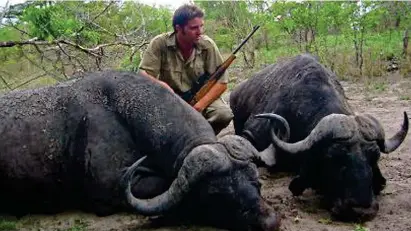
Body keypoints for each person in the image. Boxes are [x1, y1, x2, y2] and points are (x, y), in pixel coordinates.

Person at [138, 4, 233, 135]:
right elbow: (143, 74)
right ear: (179, 28)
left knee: (223, 114)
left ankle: (204, 137)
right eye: (194, 28)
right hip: (171, 98)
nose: (200, 31)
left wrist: (199, 106)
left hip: (201, 97)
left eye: (201, 26)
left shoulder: (208, 45)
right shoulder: (159, 43)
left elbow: (222, 83)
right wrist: (163, 86)